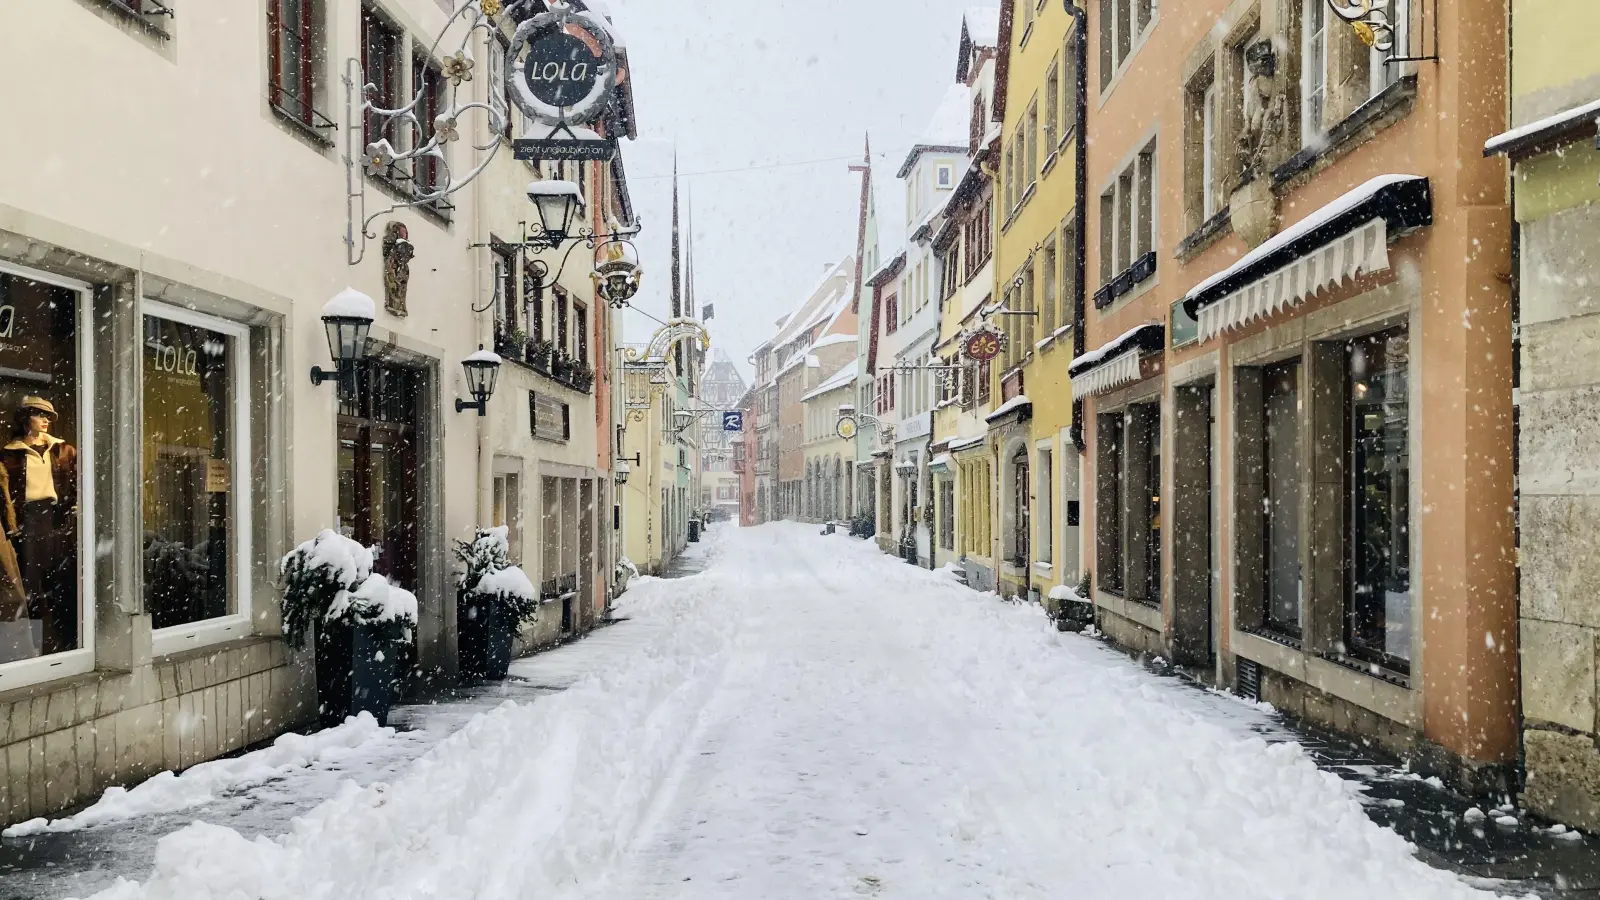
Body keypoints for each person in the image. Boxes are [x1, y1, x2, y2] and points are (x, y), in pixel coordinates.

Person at [2, 396, 79, 654]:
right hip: (27, 524)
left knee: (61, 582)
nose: (46, 420)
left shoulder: (63, 451)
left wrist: (74, 508)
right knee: (30, 587)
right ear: (26, 419)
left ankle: (64, 643)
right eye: (39, 415)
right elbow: (6, 493)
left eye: (48, 416)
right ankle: (33, 648)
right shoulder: (10, 455)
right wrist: (13, 525)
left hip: (56, 521)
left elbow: (78, 485)